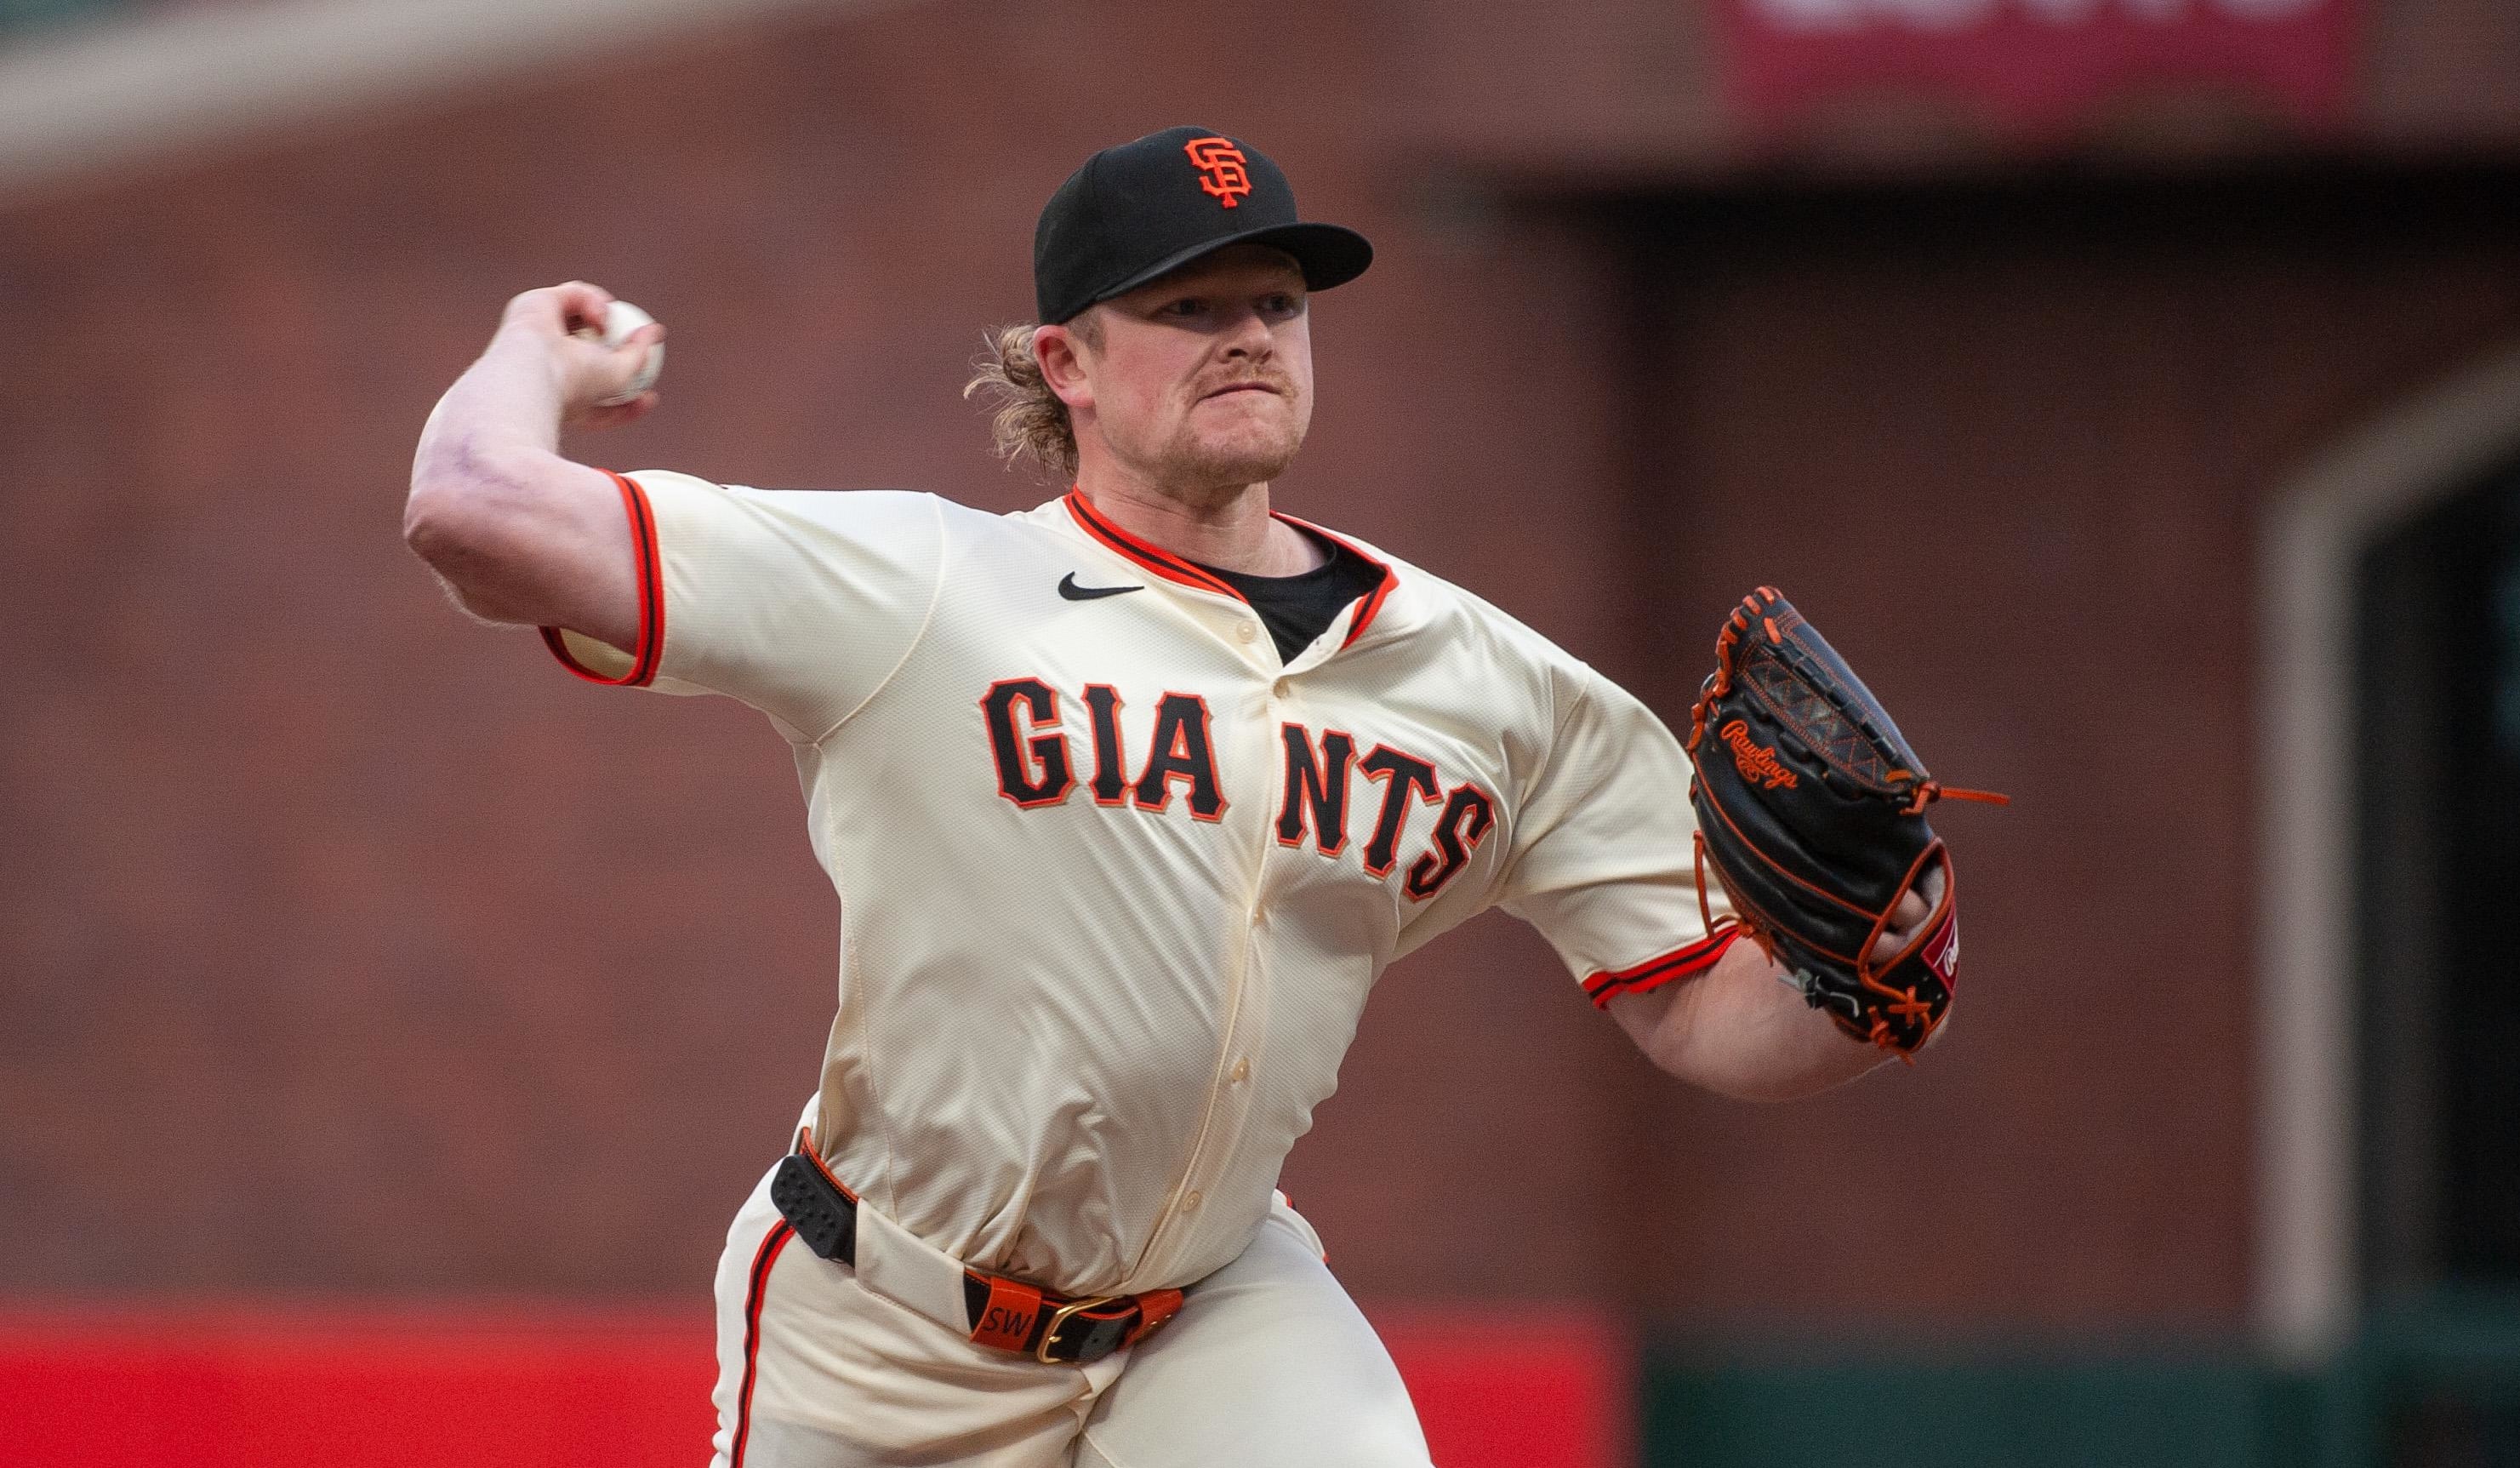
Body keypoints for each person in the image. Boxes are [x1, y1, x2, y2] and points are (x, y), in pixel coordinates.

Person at [402, 125, 1935, 1468]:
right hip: (883, 1324)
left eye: (1276, 300)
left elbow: (1695, 1001)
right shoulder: (930, 586)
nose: (1247, 334)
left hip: (1212, 1312)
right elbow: (473, 511)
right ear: (1062, 360)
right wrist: (536, 355)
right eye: (1187, 306)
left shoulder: (1489, 682)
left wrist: (1873, 981)